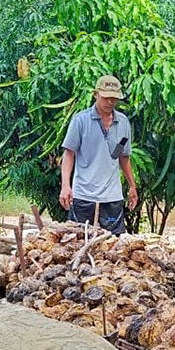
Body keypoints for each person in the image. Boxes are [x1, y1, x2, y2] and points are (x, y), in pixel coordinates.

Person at [59, 75, 138, 234]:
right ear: (96, 94)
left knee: (112, 247)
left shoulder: (123, 123)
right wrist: (66, 186)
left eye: (114, 98)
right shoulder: (80, 121)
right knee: (77, 242)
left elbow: (122, 156)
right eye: (106, 97)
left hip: (112, 197)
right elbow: (69, 154)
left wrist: (132, 186)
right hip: (84, 196)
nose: (110, 102)